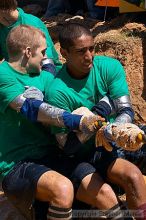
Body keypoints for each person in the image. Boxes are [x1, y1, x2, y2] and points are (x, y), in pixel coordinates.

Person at [0, 24, 103, 220]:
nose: (47, 58)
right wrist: (78, 121)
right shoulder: (2, 75)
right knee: (62, 189)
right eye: (43, 52)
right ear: (28, 52)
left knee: (100, 190)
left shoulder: (45, 76)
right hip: (16, 163)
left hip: (51, 156)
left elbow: (67, 94)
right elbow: (31, 109)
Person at [45, 23, 146, 219]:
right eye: (80, 51)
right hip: (77, 158)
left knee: (133, 176)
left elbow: (126, 111)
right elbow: (67, 146)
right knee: (106, 195)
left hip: (108, 147)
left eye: (92, 48)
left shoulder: (109, 66)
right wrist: (97, 119)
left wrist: (113, 130)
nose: (89, 56)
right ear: (64, 53)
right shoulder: (57, 91)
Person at [0, 0, 62, 73]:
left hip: (43, 72)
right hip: (17, 73)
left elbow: (47, 60)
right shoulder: (2, 26)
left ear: (3, 9)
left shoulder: (32, 24)